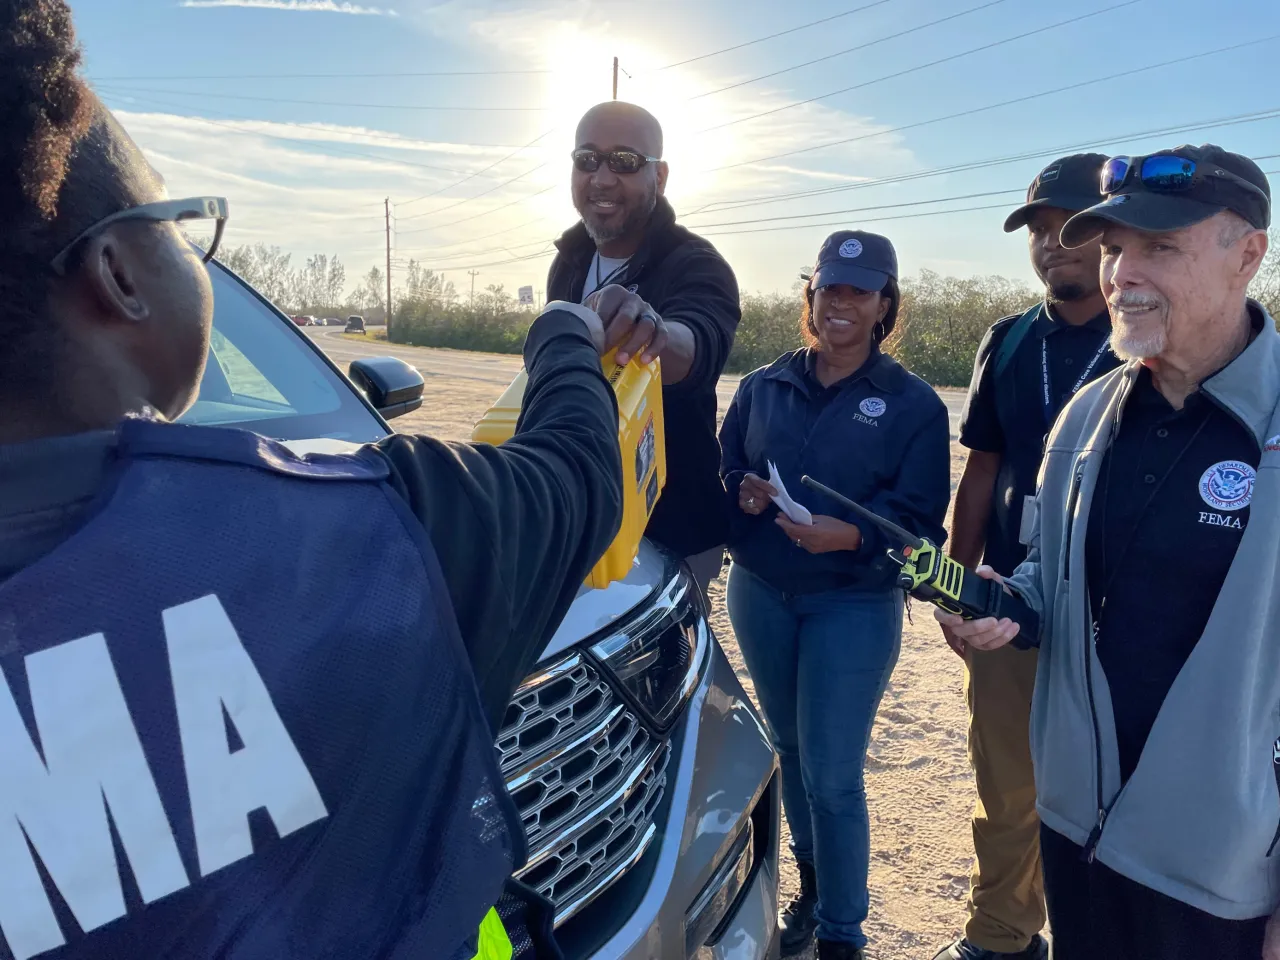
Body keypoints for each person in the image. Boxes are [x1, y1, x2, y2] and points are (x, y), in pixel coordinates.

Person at [0, 4, 627, 958]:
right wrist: (563, 335)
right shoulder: (366, 537)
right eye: (177, 223)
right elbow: (578, 478)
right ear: (119, 274)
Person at [940, 144, 1280, 960]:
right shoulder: (1088, 415)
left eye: (1160, 246)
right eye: (1118, 247)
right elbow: (1052, 578)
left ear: (1248, 256)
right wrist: (1009, 607)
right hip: (1075, 834)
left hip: (1218, 875)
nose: (1123, 271)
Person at [719, 231, 951, 960]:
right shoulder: (763, 385)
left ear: (886, 305)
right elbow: (726, 470)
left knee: (835, 773)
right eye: (830, 289)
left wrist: (847, 537)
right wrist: (746, 494)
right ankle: (814, 895)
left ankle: (843, 934)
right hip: (762, 596)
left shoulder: (913, 405)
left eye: (861, 291)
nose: (842, 303)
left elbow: (919, 529)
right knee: (788, 751)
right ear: (810, 297)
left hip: (851, 604)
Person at [933, 154, 1119, 960]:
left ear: (1115, 233)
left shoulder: (1153, 337)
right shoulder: (1007, 342)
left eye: (1072, 228)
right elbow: (980, 467)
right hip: (1008, 605)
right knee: (1007, 789)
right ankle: (1003, 937)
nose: (1053, 246)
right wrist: (955, 583)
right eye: (1039, 231)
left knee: (1111, 790)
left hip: (1115, 616)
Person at [546, 100, 741, 597]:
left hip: (670, 530)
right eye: (587, 159)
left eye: (625, 161)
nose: (603, 178)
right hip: (576, 514)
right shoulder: (568, 262)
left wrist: (652, 329)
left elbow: (699, 344)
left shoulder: (698, 264)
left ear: (661, 175)